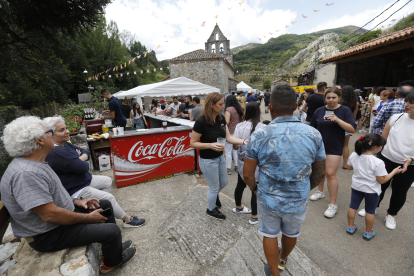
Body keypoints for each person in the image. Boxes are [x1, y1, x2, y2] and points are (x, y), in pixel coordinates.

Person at [0, 116, 136, 274]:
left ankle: (112, 249)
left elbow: (51, 197)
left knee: (104, 204)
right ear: (39, 140)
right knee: (113, 231)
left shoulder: (34, 163)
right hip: (48, 234)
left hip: (55, 223)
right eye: (48, 132)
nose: (51, 135)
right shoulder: (26, 174)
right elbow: (49, 215)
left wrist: (77, 202)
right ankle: (111, 262)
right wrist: (87, 218)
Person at [243, 85, 326, 275]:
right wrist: (305, 187)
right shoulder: (313, 134)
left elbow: (247, 174)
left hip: (268, 197)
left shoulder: (259, 135)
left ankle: (274, 272)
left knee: (269, 234)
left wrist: (255, 189)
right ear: (296, 105)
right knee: (291, 233)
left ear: (270, 107)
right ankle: (282, 260)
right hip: (298, 198)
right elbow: (320, 171)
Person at [43, 116, 146, 228]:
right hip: (75, 189)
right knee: (109, 197)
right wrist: (79, 158)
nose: (67, 131)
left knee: (107, 181)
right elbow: (83, 167)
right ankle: (127, 220)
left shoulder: (63, 143)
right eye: (61, 130)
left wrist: (78, 158)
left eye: (66, 128)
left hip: (81, 180)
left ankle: (99, 209)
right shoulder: (56, 152)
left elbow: (84, 151)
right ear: (50, 134)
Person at [358, 91, 414, 230]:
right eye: (406, 101)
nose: (406, 105)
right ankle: (372, 207)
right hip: (386, 158)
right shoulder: (396, 118)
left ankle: (391, 215)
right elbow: (383, 140)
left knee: (400, 191)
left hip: (408, 165)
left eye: (410, 102)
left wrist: (411, 159)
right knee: (378, 186)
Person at [190, 92, 248, 220]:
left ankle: (214, 195)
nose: (223, 107)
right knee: (214, 187)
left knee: (224, 182)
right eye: (220, 104)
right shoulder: (201, 122)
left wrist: (243, 141)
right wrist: (210, 145)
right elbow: (192, 144)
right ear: (212, 105)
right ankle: (210, 210)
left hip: (220, 158)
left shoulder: (221, 119)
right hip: (207, 161)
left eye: (224, 104)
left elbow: (228, 137)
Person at [309, 87, 356, 218]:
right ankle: (320, 191)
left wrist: (337, 119)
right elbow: (312, 129)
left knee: (330, 173)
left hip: (335, 146)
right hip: (319, 146)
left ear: (339, 98)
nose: (331, 100)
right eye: (328, 97)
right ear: (325, 98)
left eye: (333, 97)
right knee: (319, 171)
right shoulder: (319, 111)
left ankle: (333, 204)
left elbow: (352, 129)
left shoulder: (344, 110)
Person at [346, 133, 402, 240]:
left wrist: (360, 168)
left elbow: (349, 167)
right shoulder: (378, 162)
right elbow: (382, 180)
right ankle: (367, 232)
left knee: (352, 207)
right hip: (371, 191)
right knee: (370, 211)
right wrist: (394, 172)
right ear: (375, 148)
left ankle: (350, 227)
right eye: (382, 146)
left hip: (356, 187)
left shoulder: (354, 155)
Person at [232, 102, 265, 225]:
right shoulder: (263, 127)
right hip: (257, 164)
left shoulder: (239, 126)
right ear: (259, 111)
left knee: (240, 185)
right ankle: (254, 216)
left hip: (242, 162)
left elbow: (235, 147)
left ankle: (238, 207)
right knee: (255, 188)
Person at [224, 95, 244, 175]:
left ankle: (228, 168)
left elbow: (227, 122)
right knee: (235, 150)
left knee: (228, 151)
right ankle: (237, 166)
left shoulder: (229, 109)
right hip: (237, 132)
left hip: (230, 132)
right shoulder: (239, 109)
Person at [340, 85, 358, 170]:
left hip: (338, 124)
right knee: (345, 145)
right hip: (348, 125)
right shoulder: (355, 103)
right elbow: (353, 117)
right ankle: (345, 163)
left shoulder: (339, 102)